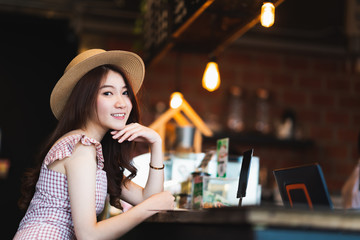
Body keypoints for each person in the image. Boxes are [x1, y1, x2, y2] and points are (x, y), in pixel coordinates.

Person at [14, 49, 175, 239]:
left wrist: (156, 143)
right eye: (107, 93)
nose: (122, 103)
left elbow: (147, 199)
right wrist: (149, 207)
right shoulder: (80, 147)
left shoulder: (95, 152)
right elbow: (88, 235)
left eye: (125, 93)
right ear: (85, 100)